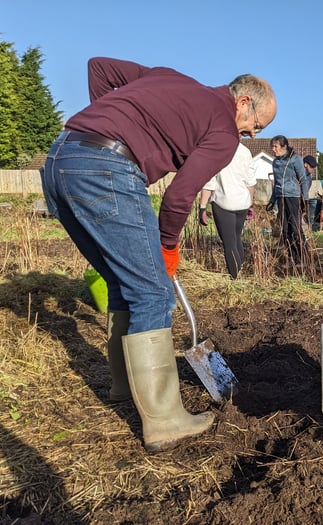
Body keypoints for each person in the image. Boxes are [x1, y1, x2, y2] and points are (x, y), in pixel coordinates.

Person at [39, 57, 276, 453]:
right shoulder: (223, 132)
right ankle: (165, 420)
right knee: (153, 293)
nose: (253, 134)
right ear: (244, 101)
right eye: (257, 124)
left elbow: (98, 68)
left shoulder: (169, 77)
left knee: (122, 281)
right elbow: (179, 196)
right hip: (105, 169)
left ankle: (123, 387)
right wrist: (167, 251)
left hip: (60, 160)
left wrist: (109, 121)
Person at [198, 142, 257, 279]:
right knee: (236, 239)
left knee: (229, 243)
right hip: (242, 202)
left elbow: (209, 182)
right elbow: (251, 182)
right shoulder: (245, 151)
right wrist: (250, 204)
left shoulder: (217, 148)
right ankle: (239, 274)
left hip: (224, 202)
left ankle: (234, 279)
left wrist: (202, 207)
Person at [266, 136, 308, 265]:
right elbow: (276, 183)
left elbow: (303, 179)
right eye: (272, 146)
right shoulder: (275, 162)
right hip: (280, 197)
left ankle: (304, 258)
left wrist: (305, 199)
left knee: (295, 228)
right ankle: (292, 257)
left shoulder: (295, 160)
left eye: (275, 147)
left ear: (284, 147)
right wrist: (272, 200)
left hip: (293, 197)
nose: (273, 149)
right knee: (284, 230)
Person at [302, 155, 317, 225]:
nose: (313, 169)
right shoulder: (300, 174)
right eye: (311, 166)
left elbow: (307, 189)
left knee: (315, 202)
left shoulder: (309, 176)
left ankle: (310, 222)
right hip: (295, 197)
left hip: (303, 198)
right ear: (305, 164)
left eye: (314, 167)